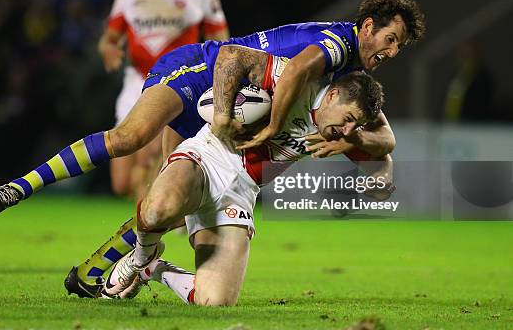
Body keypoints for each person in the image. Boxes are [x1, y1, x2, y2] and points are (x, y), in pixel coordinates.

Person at [0, 0, 424, 218]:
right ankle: (21, 186)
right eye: (390, 39)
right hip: (203, 69)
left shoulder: (352, 74)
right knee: (130, 137)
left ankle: (102, 271)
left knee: (166, 199)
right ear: (368, 26)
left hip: (229, 100)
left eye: (398, 47)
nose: (391, 51)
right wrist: (271, 130)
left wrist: (354, 138)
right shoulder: (337, 45)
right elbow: (293, 72)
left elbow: (385, 137)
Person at [77, 72, 394, 305]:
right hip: (209, 154)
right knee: (159, 208)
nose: (349, 129)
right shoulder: (293, 78)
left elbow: (381, 159)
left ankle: (153, 269)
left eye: (357, 125)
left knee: (213, 302)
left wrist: (380, 181)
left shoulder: (337, 130)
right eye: (350, 118)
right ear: (333, 95)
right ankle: (138, 258)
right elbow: (232, 60)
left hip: (241, 193)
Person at [98, 0, 229, 198]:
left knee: (148, 158)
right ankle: (160, 212)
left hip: (175, 84)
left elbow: (223, 44)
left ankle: (148, 228)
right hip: (135, 82)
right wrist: (109, 49)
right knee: (121, 182)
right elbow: (110, 37)